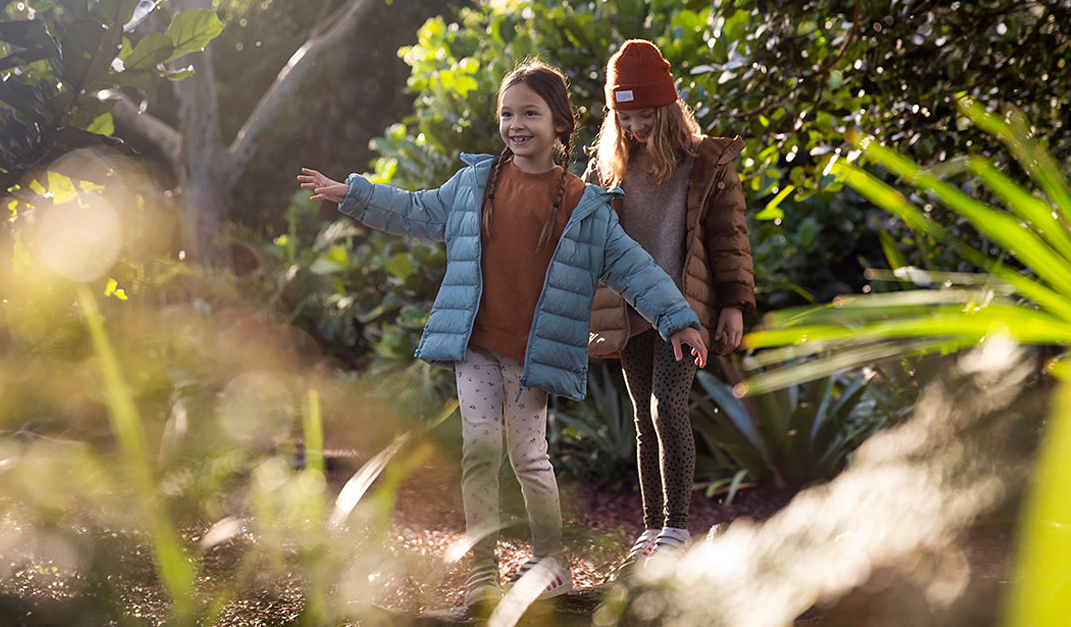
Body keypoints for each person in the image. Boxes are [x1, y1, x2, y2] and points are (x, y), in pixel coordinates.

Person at [297, 58, 708, 608]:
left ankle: (550, 563)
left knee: (529, 458)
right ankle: (482, 575)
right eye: (507, 113)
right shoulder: (474, 184)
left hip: (531, 356)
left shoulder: (582, 206)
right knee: (479, 453)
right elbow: (417, 211)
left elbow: (633, 268)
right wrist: (351, 193)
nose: (516, 124)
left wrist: (677, 318)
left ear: (560, 123)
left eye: (530, 113)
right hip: (476, 348)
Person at [583, 39, 755, 577]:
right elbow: (578, 230)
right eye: (624, 117)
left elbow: (730, 239)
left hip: (688, 312)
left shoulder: (705, 163)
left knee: (667, 407)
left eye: (644, 116)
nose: (635, 127)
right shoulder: (609, 170)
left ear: (669, 109)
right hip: (630, 312)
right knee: (642, 418)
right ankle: (653, 529)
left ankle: (677, 528)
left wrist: (734, 305)